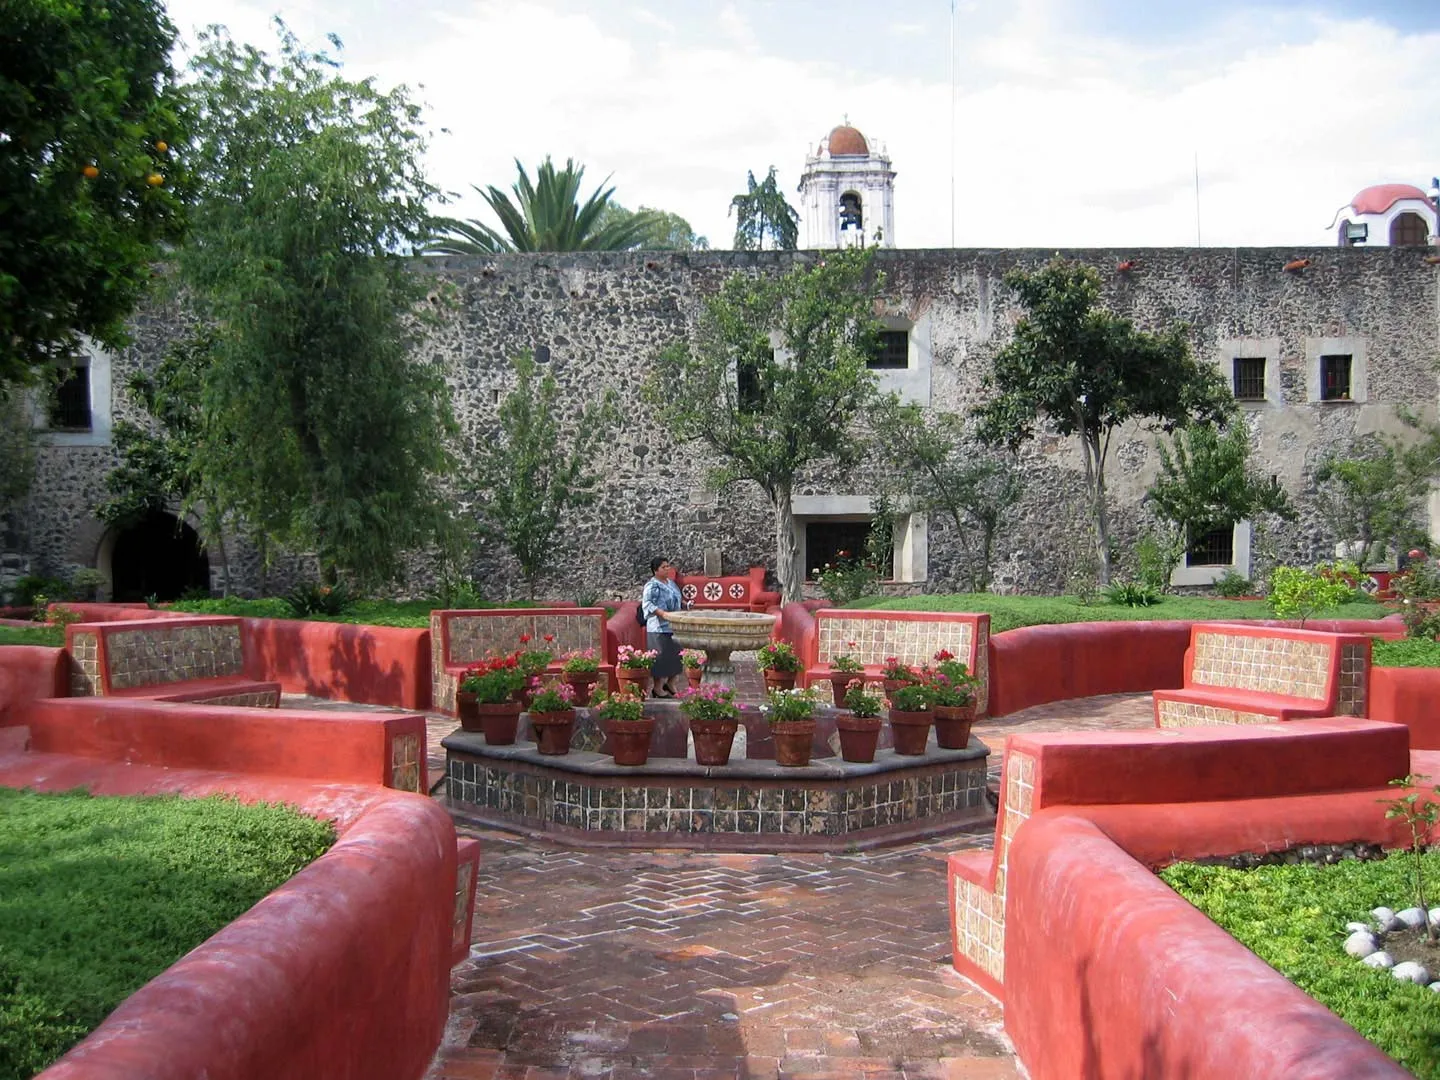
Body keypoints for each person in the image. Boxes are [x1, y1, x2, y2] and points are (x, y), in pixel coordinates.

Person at [641, 556, 684, 698]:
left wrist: (686, 605)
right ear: (655, 570)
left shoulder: (670, 583)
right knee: (660, 658)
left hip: (674, 625)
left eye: (668, 566)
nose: (667, 569)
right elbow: (648, 604)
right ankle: (657, 688)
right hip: (659, 627)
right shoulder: (652, 586)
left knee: (676, 657)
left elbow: (677, 599)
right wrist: (662, 613)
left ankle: (671, 683)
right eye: (663, 567)